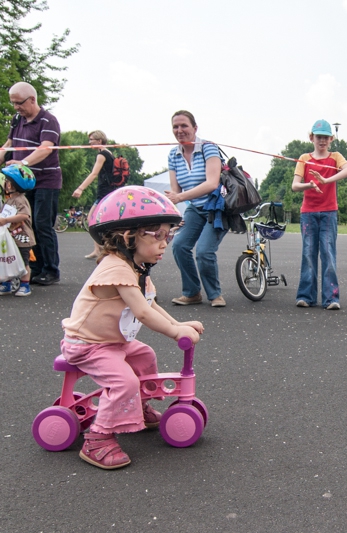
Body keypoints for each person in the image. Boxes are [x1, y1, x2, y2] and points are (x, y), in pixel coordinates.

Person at [61, 186, 203, 470]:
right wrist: (175, 333)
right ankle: (98, 439)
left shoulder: (137, 269)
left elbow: (150, 303)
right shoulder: (116, 267)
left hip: (112, 342)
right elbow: (142, 312)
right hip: (88, 345)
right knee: (123, 381)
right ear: (128, 237)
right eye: (158, 235)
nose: (165, 243)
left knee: (145, 356)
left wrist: (178, 324)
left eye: (168, 236)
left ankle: (137, 406)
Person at [0, 82, 62, 286]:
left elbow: (46, 147)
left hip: (46, 181)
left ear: (32, 99)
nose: (16, 107)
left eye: (19, 103)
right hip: (23, 183)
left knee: (42, 224)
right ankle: (34, 266)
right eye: (13, 103)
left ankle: (51, 269)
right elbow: (8, 145)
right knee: (26, 225)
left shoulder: (48, 120)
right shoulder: (17, 120)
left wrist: (22, 163)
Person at [163, 110, 227, 308]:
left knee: (204, 251)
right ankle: (192, 293)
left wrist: (180, 197)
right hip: (195, 208)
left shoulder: (208, 147)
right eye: (175, 126)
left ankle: (215, 294)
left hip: (216, 208)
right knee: (179, 245)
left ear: (195, 128)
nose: (179, 130)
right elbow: (175, 191)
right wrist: (170, 214)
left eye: (184, 125)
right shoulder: (173, 155)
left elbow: (211, 183)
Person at [291, 119, 347, 310]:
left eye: (326, 137)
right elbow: (295, 186)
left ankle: (331, 298)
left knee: (328, 253)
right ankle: (306, 296)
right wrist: (309, 185)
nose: (322, 141)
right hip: (308, 213)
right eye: (319, 137)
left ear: (331, 139)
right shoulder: (304, 158)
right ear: (311, 137)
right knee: (308, 254)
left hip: (329, 213)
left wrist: (327, 180)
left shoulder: (335, 157)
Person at [0, 165, 36, 297]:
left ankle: (25, 285)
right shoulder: (9, 201)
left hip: (22, 237)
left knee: (23, 262)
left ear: (10, 185)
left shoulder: (21, 200)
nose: (4, 183)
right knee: (7, 261)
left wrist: (6, 220)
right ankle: (6, 284)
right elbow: (0, 213)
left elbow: (24, 215)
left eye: (6, 181)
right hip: (10, 238)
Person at [73, 130, 117, 259]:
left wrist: (80, 188)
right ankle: (98, 249)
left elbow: (93, 173)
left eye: (91, 140)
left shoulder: (102, 155)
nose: (89, 142)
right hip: (109, 191)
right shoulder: (109, 153)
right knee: (96, 219)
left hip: (104, 192)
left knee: (92, 219)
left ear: (99, 140)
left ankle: (103, 248)